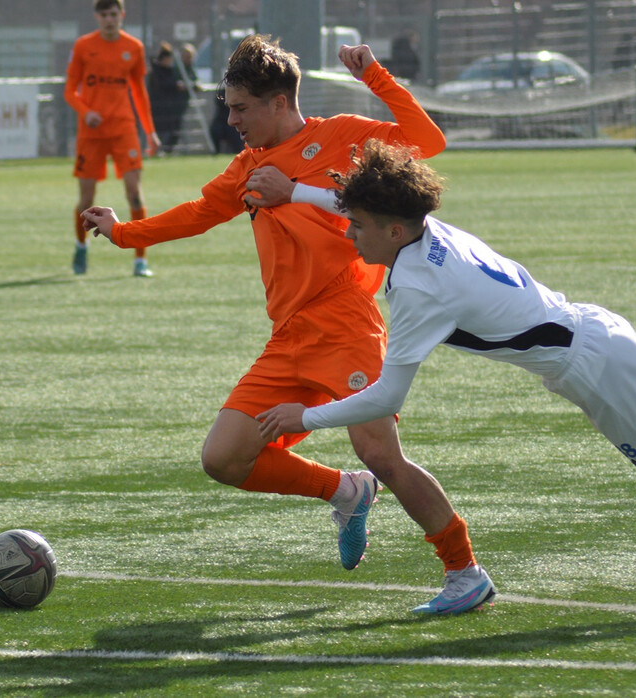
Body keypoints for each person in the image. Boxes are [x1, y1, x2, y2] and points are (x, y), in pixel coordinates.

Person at [255, 138, 636, 610]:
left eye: (355, 224)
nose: (347, 233)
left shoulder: (417, 287)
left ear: (393, 230)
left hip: (595, 366)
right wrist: (301, 192)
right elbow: (364, 209)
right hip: (597, 338)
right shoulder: (426, 230)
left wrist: (305, 416)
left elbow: (388, 395)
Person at [84, 37, 485, 614]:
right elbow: (197, 215)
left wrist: (375, 76)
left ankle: (464, 570)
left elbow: (429, 142)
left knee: (381, 453)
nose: (232, 120)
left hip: (346, 322)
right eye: (228, 107)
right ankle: (344, 491)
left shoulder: (345, 136)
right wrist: (124, 233)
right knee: (223, 457)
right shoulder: (248, 167)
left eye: (241, 108)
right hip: (289, 335)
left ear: (278, 102)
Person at [64, 0, 160, 278]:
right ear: (97, 17)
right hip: (91, 132)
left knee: (134, 192)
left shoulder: (133, 47)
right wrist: (86, 112)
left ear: (122, 16)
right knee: (86, 198)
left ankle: (140, 260)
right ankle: (81, 247)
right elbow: (69, 91)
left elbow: (139, 93)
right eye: (104, 15)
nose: (109, 19)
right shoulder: (83, 46)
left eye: (113, 14)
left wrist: (150, 132)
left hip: (123, 129)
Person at [146, 42, 186, 155]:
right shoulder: (157, 71)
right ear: (164, 59)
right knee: (162, 130)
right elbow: (161, 85)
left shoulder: (167, 71)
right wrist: (175, 85)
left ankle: (166, 151)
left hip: (169, 107)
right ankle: (159, 151)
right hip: (159, 107)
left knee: (173, 130)